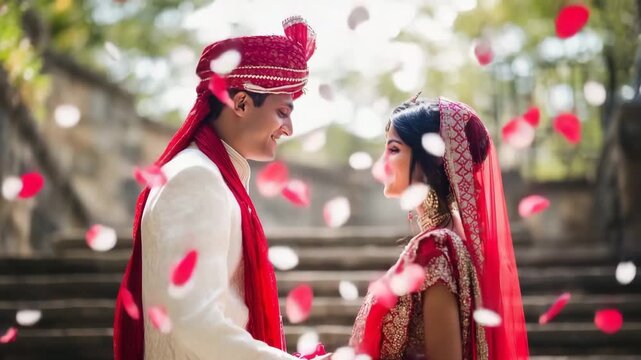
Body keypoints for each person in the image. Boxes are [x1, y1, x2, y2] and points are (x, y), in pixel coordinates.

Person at [113, 16, 322, 360]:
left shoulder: (207, 175)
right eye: (283, 111)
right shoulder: (197, 179)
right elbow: (195, 324)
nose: (289, 128)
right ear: (240, 103)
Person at [350, 97, 529, 359]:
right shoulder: (445, 239)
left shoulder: (437, 246)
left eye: (394, 149)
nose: (382, 163)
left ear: (431, 160)